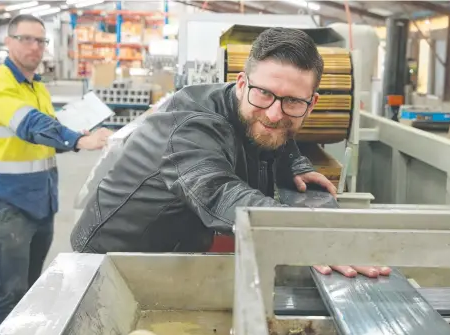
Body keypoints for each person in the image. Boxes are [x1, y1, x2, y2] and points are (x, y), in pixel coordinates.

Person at [71, 27, 391, 280]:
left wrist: (295, 163)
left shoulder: (257, 110)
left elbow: (276, 132)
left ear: (312, 103)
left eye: (293, 102)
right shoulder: (190, 127)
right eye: (265, 93)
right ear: (241, 84)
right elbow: (219, 193)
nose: (276, 113)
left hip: (175, 249)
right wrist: (308, 236)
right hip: (109, 259)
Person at [0, 14, 112, 335]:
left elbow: (45, 137)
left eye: (41, 40)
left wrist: (75, 135)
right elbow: (32, 125)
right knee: (10, 295)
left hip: (41, 203)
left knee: (28, 294)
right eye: (26, 39)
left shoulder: (36, 87)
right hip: (8, 206)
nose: (35, 47)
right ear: (9, 42)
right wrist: (78, 140)